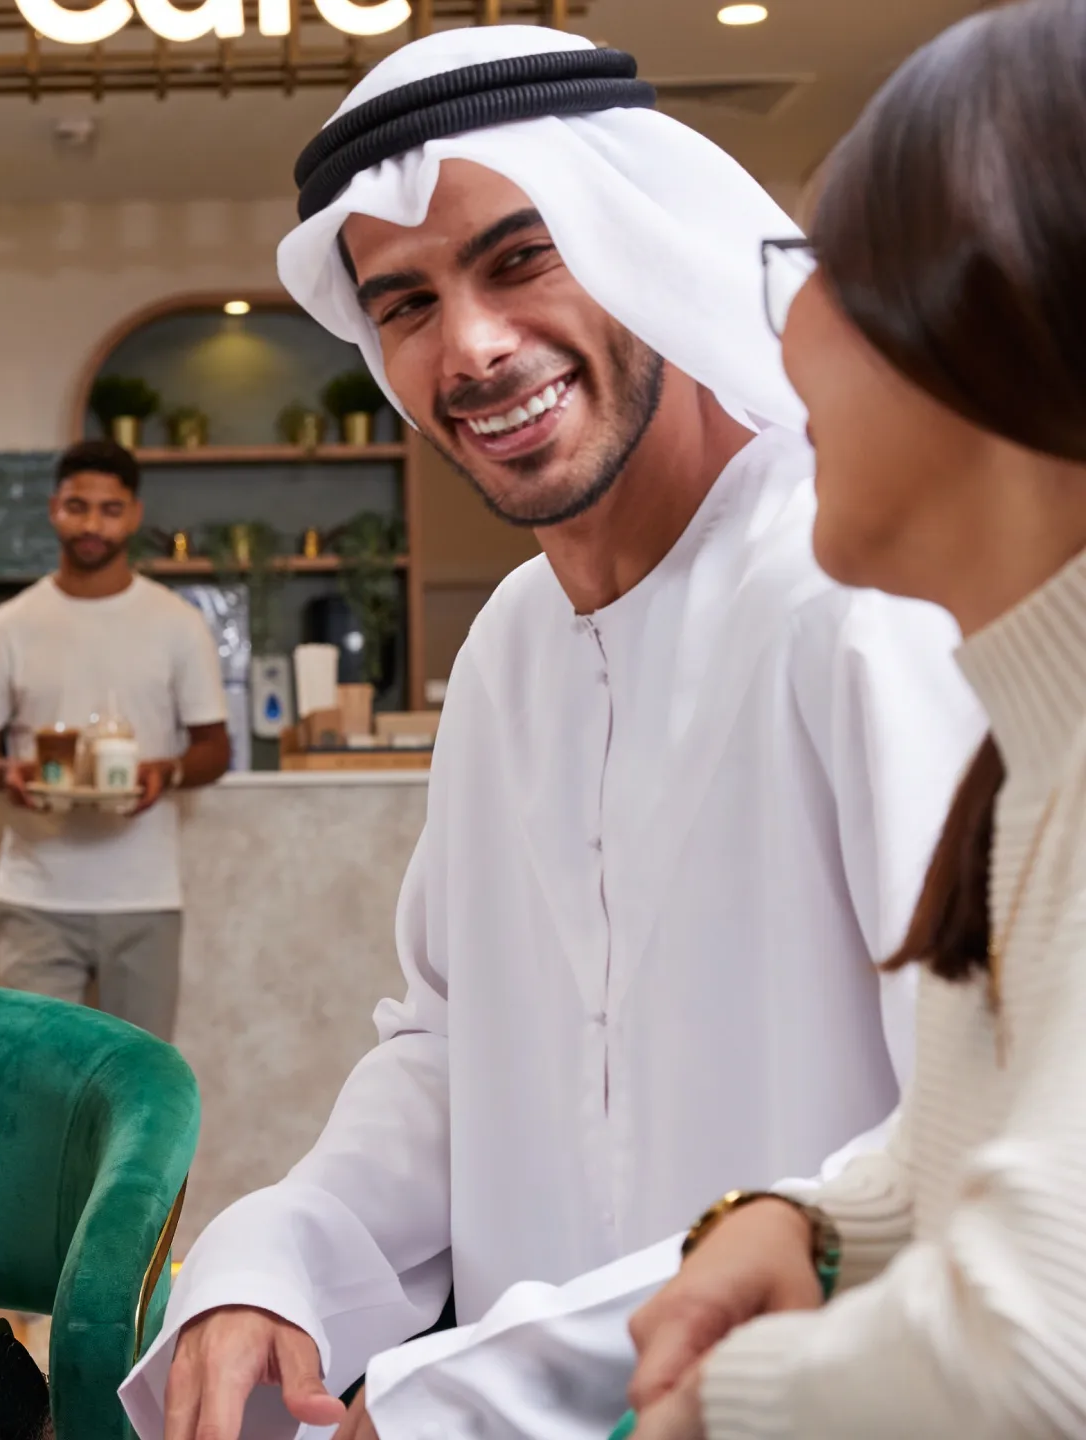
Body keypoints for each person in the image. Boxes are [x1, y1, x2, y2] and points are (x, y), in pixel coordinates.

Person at [123, 26, 985, 1440]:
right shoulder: (512, 643)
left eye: (522, 259)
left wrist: (467, 1395)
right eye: (406, 305)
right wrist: (277, 1262)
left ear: (641, 245)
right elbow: (452, 1054)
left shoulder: (861, 593)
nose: (469, 346)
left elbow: (968, 1147)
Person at [620, 4, 1086, 1435]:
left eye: (821, 268)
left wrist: (712, 1410)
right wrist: (815, 1221)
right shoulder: (1032, 749)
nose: (786, 334)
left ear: (992, 302)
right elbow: (1004, 1139)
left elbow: (1039, 1359)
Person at [0, 439, 234, 1039]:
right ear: (54, 509)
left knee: (140, 1081)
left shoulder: (177, 625)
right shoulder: (7, 627)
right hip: (35, 896)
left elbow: (215, 748)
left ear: (133, 515)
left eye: (110, 510)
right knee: (30, 1075)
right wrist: (7, 773)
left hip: (144, 897)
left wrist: (166, 771)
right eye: (77, 507)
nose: (92, 526)